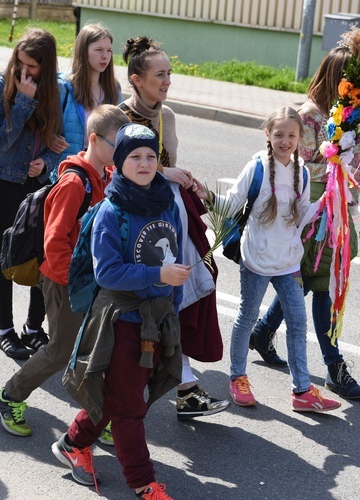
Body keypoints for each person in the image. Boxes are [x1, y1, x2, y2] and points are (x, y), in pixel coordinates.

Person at [57, 123, 187, 500]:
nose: (145, 163)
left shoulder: (166, 202)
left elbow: (174, 261)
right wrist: (157, 273)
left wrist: (171, 309)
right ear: (119, 161)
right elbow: (108, 272)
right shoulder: (110, 212)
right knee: (130, 407)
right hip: (122, 321)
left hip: (157, 319)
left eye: (150, 156)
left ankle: (73, 442)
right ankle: (142, 483)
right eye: (135, 156)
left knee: (122, 395)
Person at [0, 105, 129, 438]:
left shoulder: (106, 177)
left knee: (100, 349)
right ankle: (9, 396)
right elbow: (54, 241)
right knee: (60, 351)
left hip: (90, 281)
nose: (122, 152)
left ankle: (99, 417)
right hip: (64, 280)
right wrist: (77, 284)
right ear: (94, 140)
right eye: (116, 144)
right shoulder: (73, 183)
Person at [250, 48, 360, 400]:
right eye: (352, 81)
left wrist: (359, 169)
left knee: (303, 280)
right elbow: (292, 165)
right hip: (310, 215)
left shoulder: (348, 114)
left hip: (336, 213)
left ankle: (263, 330)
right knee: (322, 285)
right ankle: (334, 366)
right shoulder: (309, 117)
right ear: (336, 77)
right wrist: (338, 167)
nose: (357, 88)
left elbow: (354, 165)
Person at [120, 36, 228, 420]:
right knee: (142, 304)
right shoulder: (119, 117)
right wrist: (166, 172)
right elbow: (120, 172)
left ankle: (183, 386)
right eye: (159, 75)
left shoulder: (167, 117)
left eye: (169, 73)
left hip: (168, 218)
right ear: (136, 79)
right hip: (133, 225)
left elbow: (165, 168)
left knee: (177, 297)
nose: (167, 81)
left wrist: (183, 181)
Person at [224, 107, 341, 413]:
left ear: (301, 138)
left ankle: (301, 391)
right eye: (279, 134)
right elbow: (232, 201)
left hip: (288, 260)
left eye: (291, 135)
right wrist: (203, 197)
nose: (285, 140)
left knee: (298, 323)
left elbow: (301, 217)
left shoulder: (301, 171)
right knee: (247, 317)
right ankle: (238, 377)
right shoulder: (258, 167)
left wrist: (328, 203)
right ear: (268, 135)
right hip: (257, 258)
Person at [0, 28, 67, 360]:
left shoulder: (55, 91)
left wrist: (44, 163)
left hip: (35, 187)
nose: (24, 71)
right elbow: (0, 141)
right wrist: (23, 102)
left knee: (41, 258)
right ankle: (6, 331)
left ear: (45, 66)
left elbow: (55, 142)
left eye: (32, 66)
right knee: (2, 259)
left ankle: (33, 328)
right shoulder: (0, 87)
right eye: (20, 63)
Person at [56, 22, 121, 181]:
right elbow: (46, 128)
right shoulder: (64, 86)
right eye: (99, 50)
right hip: (70, 173)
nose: (105, 56)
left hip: (103, 174)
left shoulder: (114, 88)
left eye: (109, 51)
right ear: (83, 51)